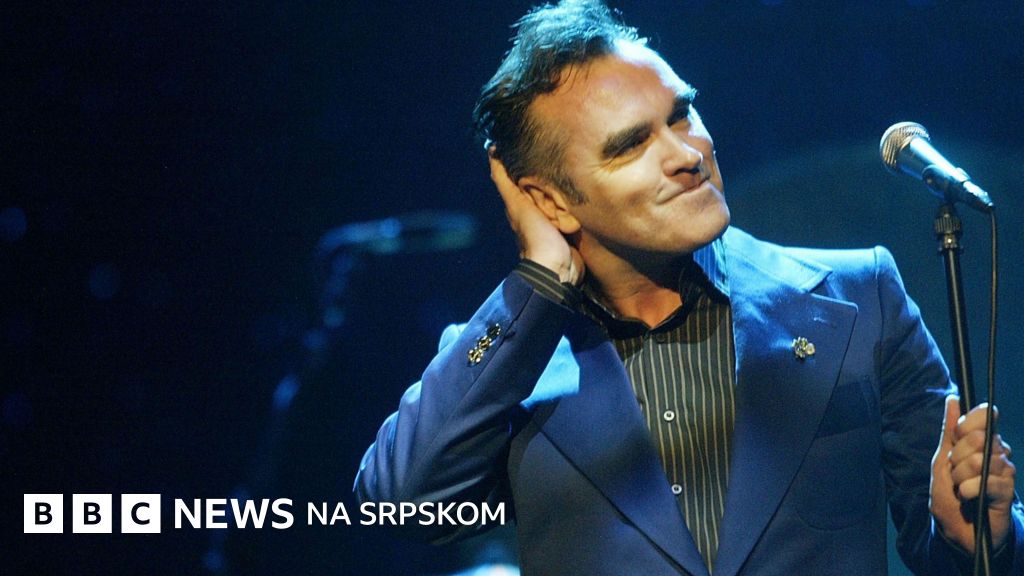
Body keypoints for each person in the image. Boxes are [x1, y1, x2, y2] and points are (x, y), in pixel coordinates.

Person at [355, 1, 1023, 574]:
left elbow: (959, 550)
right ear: (552, 201)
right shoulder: (505, 365)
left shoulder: (859, 297)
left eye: (681, 115)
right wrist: (538, 283)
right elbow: (397, 509)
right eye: (630, 145)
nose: (685, 153)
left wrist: (982, 539)